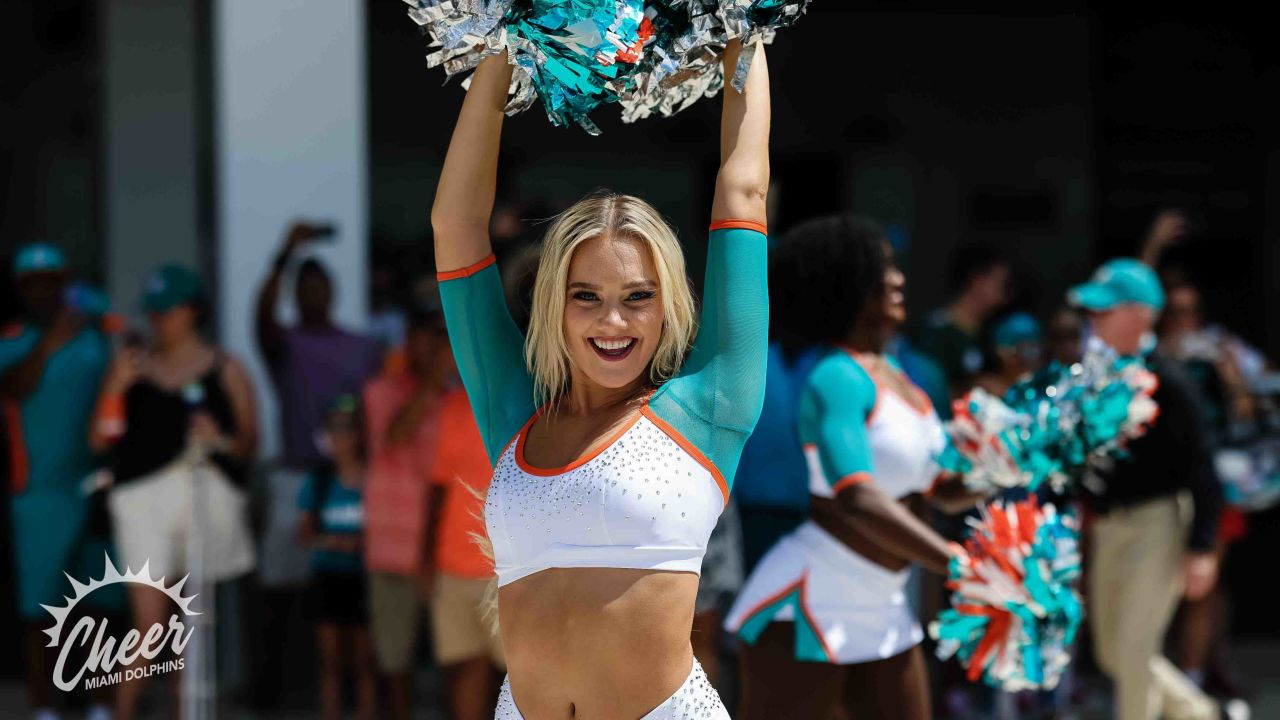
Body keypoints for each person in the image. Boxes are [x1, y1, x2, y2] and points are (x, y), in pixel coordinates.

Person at [432, 35, 770, 719]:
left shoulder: (709, 406)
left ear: (670, 305)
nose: (612, 321)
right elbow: (455, 225)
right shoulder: (515, 411)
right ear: (554, 301)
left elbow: (744, 187)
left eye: (638, 296)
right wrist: (499, 40)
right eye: (586, 295)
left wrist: (744, 28)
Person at [723, 215, 982, 720]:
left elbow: (944, 490)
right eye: (882, 266)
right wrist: (962, 565)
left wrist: (1017, 464)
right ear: (845, 280)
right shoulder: (835, 376)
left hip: (884, 600)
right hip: (810, 601)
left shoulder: (901, 379)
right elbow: (856, 496)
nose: (899, 278)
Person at [1068, 259, 1247, 720]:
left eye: (1106, 310)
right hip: (1111, 527)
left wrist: (1202, 545)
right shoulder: (1099, 375)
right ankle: (1202, 714)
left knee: (1132, 651)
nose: (1094, 319)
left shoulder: (1169, 379)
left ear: (1141, 314)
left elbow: (1202, 463)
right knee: (1111, 652)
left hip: (1158, 523)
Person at [89, 264, 258, 719]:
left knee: (191, 631)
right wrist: (116, 388)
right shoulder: (131, 364)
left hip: (202, 501)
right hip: (143, 506)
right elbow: (99, 440)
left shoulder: (226, 367)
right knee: (150, 628)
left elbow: (247, 445)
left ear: (191, 312)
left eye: (166, 312)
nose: (157, 321)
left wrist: (216, 437)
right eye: (153, 313)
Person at [252, 222, 381, 704]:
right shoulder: (284, 341)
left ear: (332, 290)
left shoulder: (363, 347)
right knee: (280, 588)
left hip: (352, 481)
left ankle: (358, 699)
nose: (313, 292)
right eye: (303, 285)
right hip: (296, 476)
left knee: (354, 597)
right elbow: (262, 315)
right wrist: (285, 252)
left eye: (319, 283)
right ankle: (270, 693)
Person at [1, 244, 114, 720]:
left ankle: (99, 702)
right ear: (22, 290)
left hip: (95, 488)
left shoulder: (95, 336)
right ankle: (45, 708)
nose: (46, 290)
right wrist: (51, 342)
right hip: (37, 494)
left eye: (55, 280)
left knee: (103, 602)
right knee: (40, 609)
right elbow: (14, 387)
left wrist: (98, 319)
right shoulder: (10, 340)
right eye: (35, 282)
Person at [362, 309, 456, 720]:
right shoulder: (379, 391)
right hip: (393, 550)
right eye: (427, 337)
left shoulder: (459, 400)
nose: (435, 348)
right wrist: (434, 381)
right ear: (410, 339)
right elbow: (394, 437)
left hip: (447, 552)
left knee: (455, 665)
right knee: (394, 664)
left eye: (441, 339)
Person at [426, 387, 506, 720]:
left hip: (512, 569)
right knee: (465, 670)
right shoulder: (452, 405)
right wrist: (426, 558)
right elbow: (438, 486)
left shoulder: (539, 396)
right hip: (454, 564)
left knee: (521, 678)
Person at [298, 394, 376, 720]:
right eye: (335, 430)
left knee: (364, 664)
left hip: (364, 578)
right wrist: (336, 541)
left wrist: (360, 544)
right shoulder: (318, 480)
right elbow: (303, 535)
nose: (342, 437)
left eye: (349, 429)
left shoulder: (375, 478)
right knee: (330, 663)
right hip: (328, 577)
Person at [915, 243, 1010, 396]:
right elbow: (924, 389)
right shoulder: (937, 332)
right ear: (978, 280)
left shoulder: (988, 334)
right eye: (1000, 284)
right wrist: (974, 387)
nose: (1003, 297)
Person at [972, 311, 1043, 397]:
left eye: (1032, 347)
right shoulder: (984, 390)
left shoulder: (1049, 387)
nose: (1022, 359)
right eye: (1014, 351)